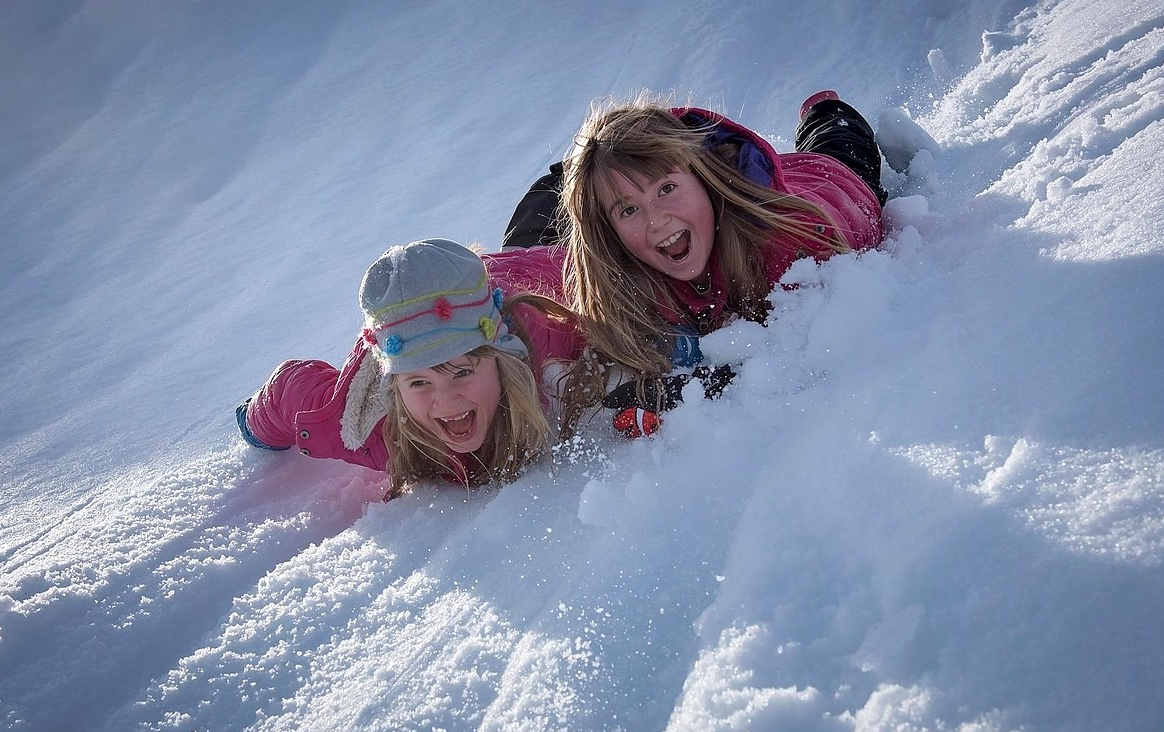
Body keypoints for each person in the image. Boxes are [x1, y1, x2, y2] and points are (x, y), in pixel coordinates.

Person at [515, 90, 887, 435]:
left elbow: (799, 351)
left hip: (830, 179)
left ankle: (824, 108)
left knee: (839, 142)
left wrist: (704, 385)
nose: (656, 220)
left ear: (703, 178)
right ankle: (590, 175)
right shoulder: (622, 266)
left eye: (666, 189)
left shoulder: (790, 244)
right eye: (628, 210)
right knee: (547, 216)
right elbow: (537, 289)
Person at [236, 239, 584, 497]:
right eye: (419, 382)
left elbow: (593, 276)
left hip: (532, 268)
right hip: (440, 313)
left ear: (501, 359)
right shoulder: (368, 427)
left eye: (462, 371)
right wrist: (253, 426)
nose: (445, 400)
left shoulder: (546, 337)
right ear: (394, 387)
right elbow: (288, 391)